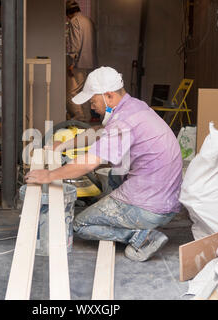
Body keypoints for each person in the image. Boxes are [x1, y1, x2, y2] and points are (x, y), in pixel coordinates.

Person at [26, 66, 183, 262]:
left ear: (108, 96)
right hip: (166, 199)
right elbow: (99, 131)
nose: (91, 107)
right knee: (113, 175)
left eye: (93, 101)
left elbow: (89, 163)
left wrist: (49, 175)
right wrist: (64, 145)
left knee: (80, 225)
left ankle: (143, 237)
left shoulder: (122, 123)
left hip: (151, 205)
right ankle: (130, 218)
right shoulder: (134, 107)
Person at [66, 0, 98, 123]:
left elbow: (75, 43)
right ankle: (87, 117)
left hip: (80, 63)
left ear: (68, 13)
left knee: (73, 92)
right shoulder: (89, 21)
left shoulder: (74, 21)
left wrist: (72, 62)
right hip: (91, 62)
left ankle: (80, 118)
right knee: (87, 91)